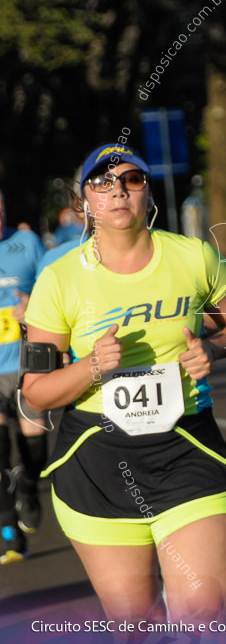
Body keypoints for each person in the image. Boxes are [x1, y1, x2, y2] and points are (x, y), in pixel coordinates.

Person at [21, 143, 226, 622]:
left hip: (186, 448)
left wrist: (213, 349)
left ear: (147, 193)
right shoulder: (60, 278)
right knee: (135, 624)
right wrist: (90, 366)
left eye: (131, 180)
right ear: (84, 200)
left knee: (205, 614)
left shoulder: (193, 256)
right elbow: (36, 393)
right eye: (103, 182)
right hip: (97, 463)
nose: (118, 191)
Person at [0, 190, 47, 564]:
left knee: (35, 443)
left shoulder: (26, 242)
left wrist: (33, 304)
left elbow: (55, 287)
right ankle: (9, 524)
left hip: (27, 362)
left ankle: (29, 486)